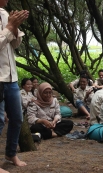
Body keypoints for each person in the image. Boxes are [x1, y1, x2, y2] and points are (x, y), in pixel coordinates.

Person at [0, 3, 29, 170]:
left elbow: (15, 45)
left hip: (11, 77)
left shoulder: (4, 14)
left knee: (17, 118)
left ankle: (11, 153)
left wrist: (15, 28)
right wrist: (10, 27)